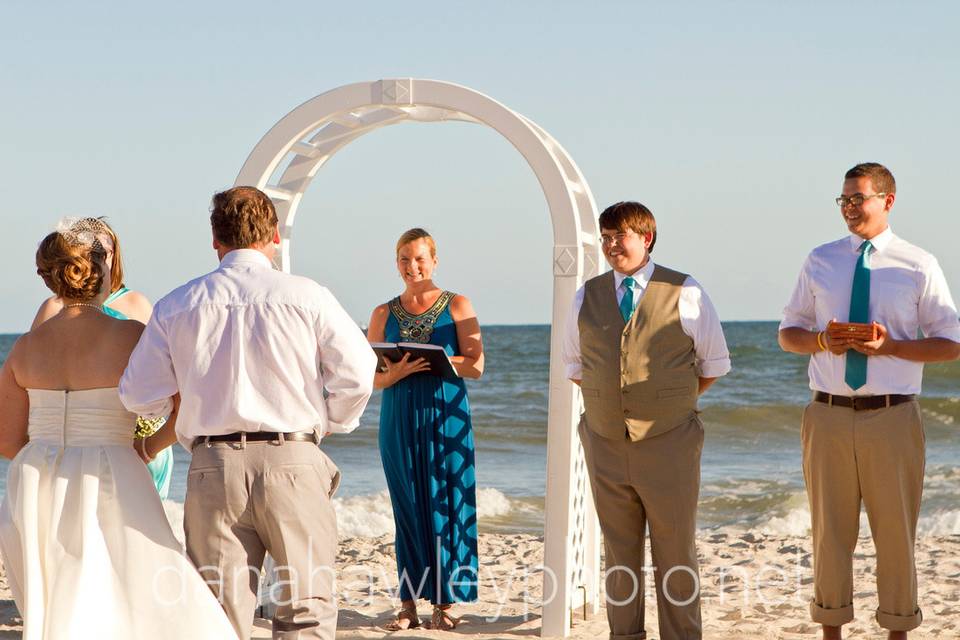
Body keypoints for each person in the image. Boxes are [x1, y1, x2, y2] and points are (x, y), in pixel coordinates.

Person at [119, 186, 376, 640]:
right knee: (307, 609)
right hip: (292, 460)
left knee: (218, 613)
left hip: (212, 467)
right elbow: (359, 372)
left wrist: (179, 403)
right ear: (274, 235)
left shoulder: (177, 304)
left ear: (215, 239)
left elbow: (138, 394)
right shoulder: (307, 295)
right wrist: (330, 422)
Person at [0, 219, 236, 639]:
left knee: (61, 588)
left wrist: (49, 451)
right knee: (137, 580)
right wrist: (147, 446)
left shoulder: (24, 347)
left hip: (36, 479)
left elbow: (7, 440)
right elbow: (186, 408)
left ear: (51, 276)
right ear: (102, 270)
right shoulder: (132, 336)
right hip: (113, 467)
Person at [779, 162, 960, 640]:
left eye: (858, 198)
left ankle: (897, 632)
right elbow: (787, 334)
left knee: (895, 538)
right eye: (844, 200)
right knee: (829, 537)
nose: (850, 208)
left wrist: (892, 347)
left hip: (893, 417)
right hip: (827, 416)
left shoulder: (918, 263)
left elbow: (951, 342)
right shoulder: (819, 259)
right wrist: (822, 341)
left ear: (888, 201)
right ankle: (831, 634)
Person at [562, 201, 730, 640]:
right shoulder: (587, 294)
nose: (612, 245)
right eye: (606, 237)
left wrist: (668, 405)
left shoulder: (685, 290)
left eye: (620, 236)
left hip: (670, 442)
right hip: (604, 443)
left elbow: (713, 364)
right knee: (619, 555)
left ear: (646, 238)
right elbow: (576, 366)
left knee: (676, 552)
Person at [366, 228, 484, 631]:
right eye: (403, 258)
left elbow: (477, 364)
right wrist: (394, 372)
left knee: (447, 502)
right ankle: (407, 604)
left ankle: (445, 602)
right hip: (398, 416)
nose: (411, 266)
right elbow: (370, 377)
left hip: (445, 413)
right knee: (407, 508)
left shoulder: (457, 304)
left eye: (419, 258)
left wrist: (442, 360)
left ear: (434, 260)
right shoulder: (383, 313)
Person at [29, 217, 174, 499]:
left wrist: (149, 438)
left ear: (114, 255)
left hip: (137, 437)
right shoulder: (52, 307)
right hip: (81, 437)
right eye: (93, 255)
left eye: (106, 253)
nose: (101, 262)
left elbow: (159, 374)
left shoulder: (136, 304)